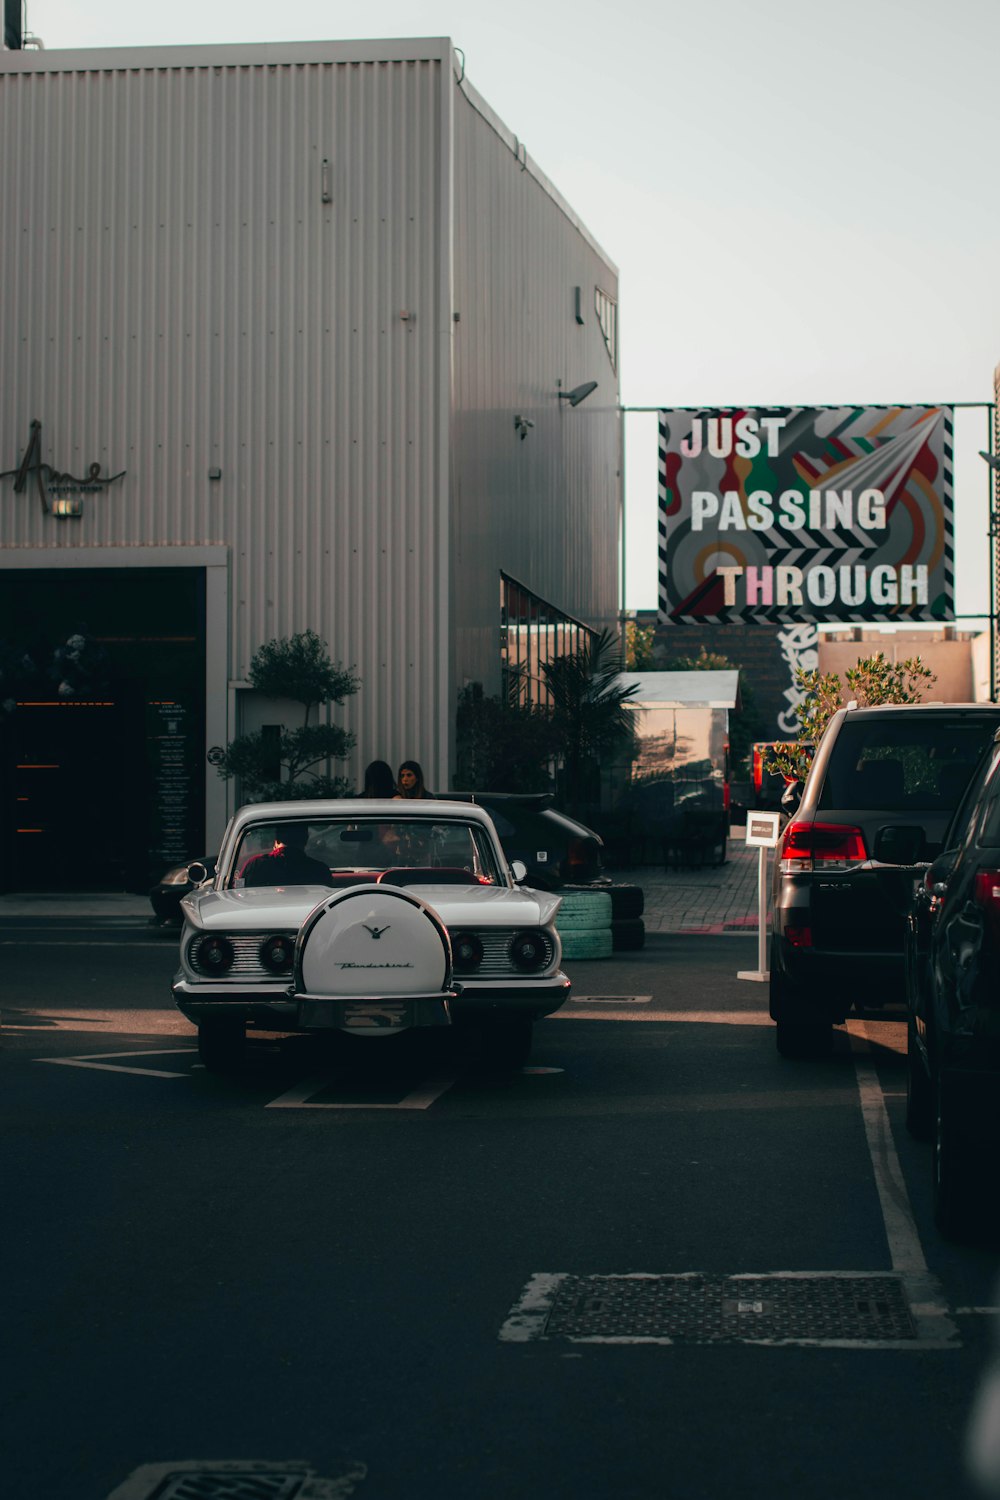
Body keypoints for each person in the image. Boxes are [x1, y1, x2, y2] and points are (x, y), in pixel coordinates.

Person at [240, 821, 335, 887]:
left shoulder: (255, 865)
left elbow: (240, 894)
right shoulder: (320, 871)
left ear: (276, 841)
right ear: (305, 840)